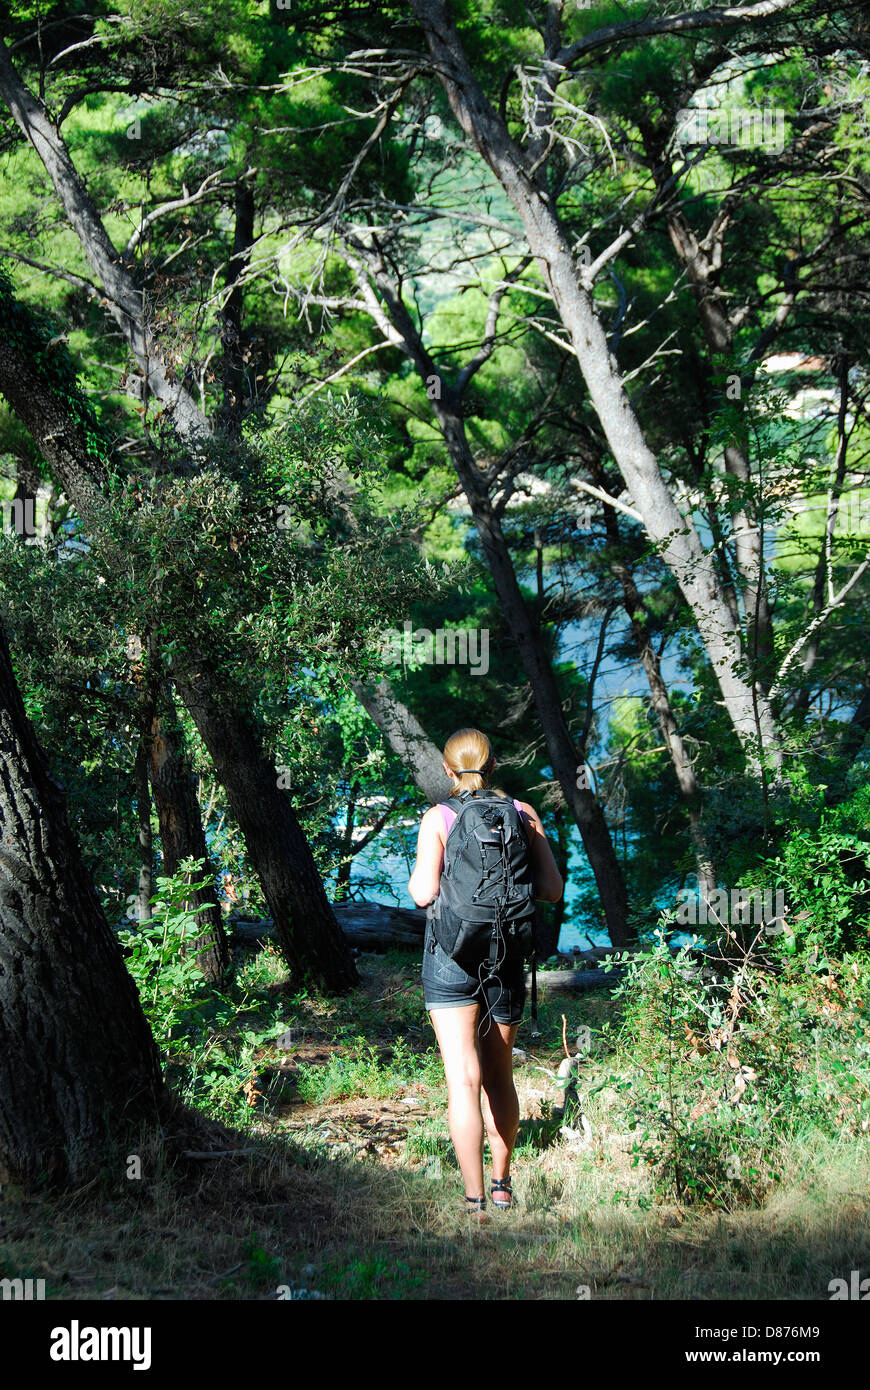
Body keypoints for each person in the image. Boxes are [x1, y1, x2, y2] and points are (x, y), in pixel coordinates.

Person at [408, 728, 563, 1217]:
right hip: (507, 958)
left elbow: (421, 893)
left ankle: (474, 1202)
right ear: (494, 766)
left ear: (449, 773)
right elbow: (552, 890)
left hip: (451, 958)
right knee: (499, 1075)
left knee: (463, 1079)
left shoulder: (439, 816)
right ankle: (502, 1185)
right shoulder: (524, 814)